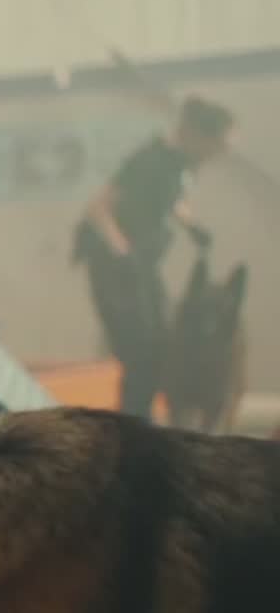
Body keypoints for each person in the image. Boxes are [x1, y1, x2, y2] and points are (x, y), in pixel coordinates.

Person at [72, 94, 234, 420]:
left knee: (161, 345)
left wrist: (192, 225)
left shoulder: (181, 167)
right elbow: (97, 208)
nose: (218, 154)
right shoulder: (151, 161)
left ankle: (142, 421)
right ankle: (133, 427)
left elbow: (170, 199)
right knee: (140, 353)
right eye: (216, 145)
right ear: (195, 135)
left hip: (142, 267)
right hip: (115, 267)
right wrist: (122, 251)